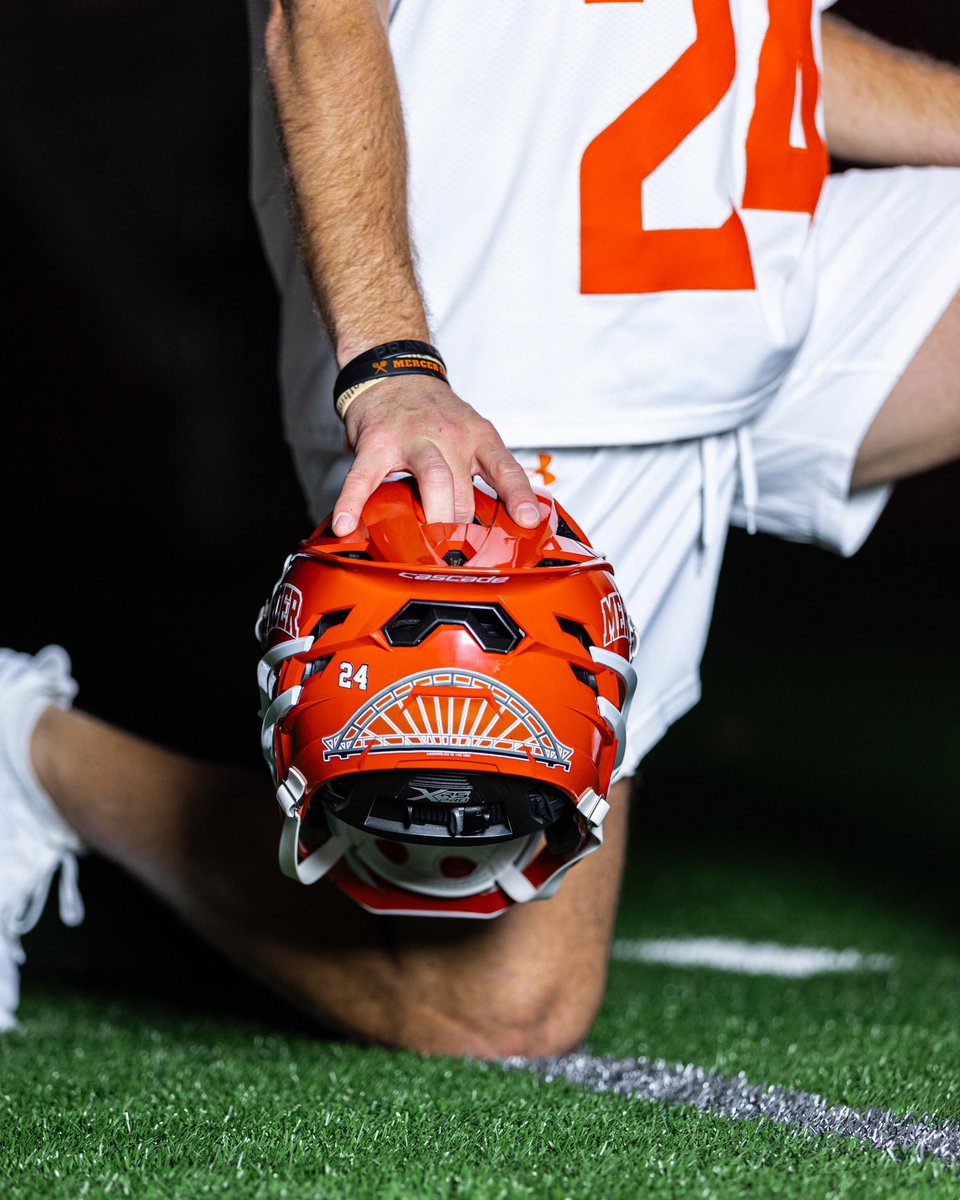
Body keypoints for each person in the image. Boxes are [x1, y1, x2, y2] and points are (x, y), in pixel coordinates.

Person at [2, 0, 959, 1055]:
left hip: (747, 273)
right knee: (496, 1003)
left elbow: (747, 41)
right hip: (515, 361)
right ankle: (34, 751)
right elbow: (318, 15)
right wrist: (394, 364)